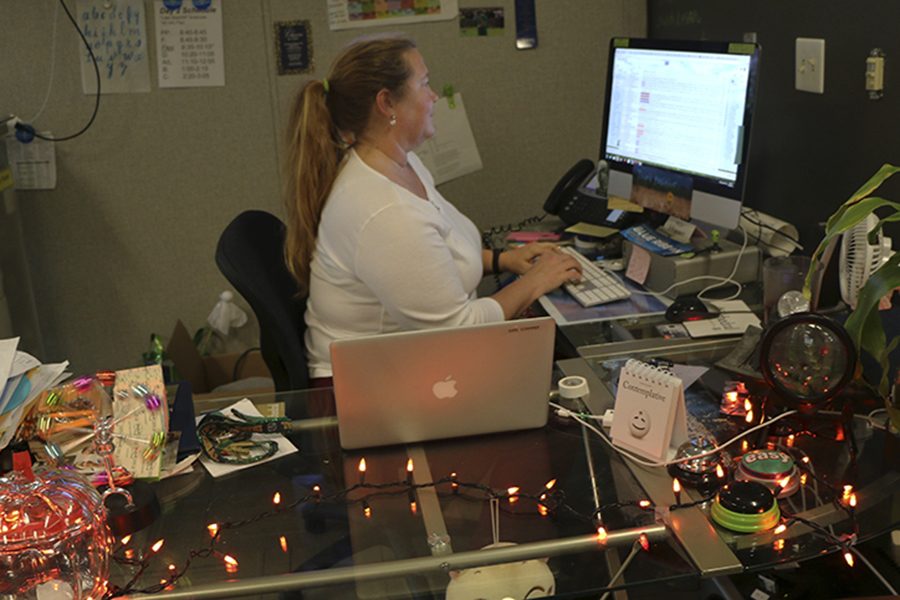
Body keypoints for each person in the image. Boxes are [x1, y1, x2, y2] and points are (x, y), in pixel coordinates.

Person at [283, 35, 581, 379]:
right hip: (362, 392)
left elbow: (435, 254)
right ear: (387, 103)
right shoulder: (385, 213)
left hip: (399, 365)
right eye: (424, 83)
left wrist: (503, 260)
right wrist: (535, 282)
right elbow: (457, 330)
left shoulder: (398, 165)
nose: (434, 95)